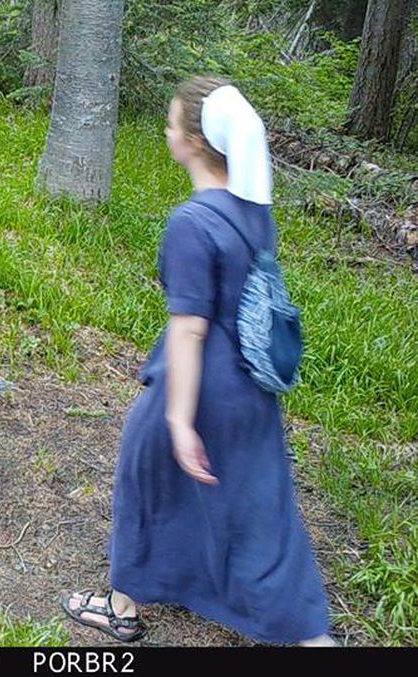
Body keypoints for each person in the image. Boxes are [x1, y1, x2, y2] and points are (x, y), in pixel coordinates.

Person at [60, 76, 336, 646]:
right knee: (260, 506)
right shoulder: (253, 209)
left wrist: (179, 420)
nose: (166, 131)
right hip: (253, 387)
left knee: (147, 475)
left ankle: (120, 607)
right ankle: (310, 635)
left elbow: (188, 328)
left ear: (190, 142)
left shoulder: (191, 222)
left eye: (171, 123)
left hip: (199, 385)